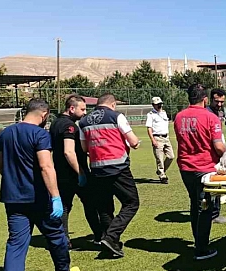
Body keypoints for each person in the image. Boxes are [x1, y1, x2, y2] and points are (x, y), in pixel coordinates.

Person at [0, 98, 81, 271]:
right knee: (56, 235)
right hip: (39, 198)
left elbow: (0, 166)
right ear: (44, 115)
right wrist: (56, 197)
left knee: (16, 244)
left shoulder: (4, 134)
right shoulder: (40, 134)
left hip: (13, 199)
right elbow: (46, 166)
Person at [79, 93, 141, 258]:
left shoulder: (84, 121)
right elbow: (133, 141)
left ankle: (110, 243)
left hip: (97, 169)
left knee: (105, 208)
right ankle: (111, 236)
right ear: (112, 104)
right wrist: (134, 143)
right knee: (131, 203)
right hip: (118, 167)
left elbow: (85, 148)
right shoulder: (116, 116)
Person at [174, 84, 226, 260]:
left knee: (194, 205)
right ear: (205, 99)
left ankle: (199, 241)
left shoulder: (179, 117)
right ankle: (202, 248)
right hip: (204, 168)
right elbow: (219, 146)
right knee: (205, 208)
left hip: (185, 168)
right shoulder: (210, 117)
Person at [49, 94, 103, 246]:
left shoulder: (55, 123)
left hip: (60, 172)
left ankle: (63, 239)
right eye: (83, 109)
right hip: (74, 172)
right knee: (91, 203)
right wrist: (80, 172)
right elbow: (68, 151)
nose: (85, 112)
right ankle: (99, 235)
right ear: (72, 108)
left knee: (65, 206)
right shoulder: (69, 126)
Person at [206, 88, 226, 224]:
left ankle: (214, 212)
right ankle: (212, 214)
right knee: (213, 186)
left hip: (218, 151)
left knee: (217, 186)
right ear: (210, 99)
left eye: (222, 102)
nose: (220, 104)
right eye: (217, 101)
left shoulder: (218, 113)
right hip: (212, 154)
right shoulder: (208, 113)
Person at [145, 96, 174, 184]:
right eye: (157, 105)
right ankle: (162, 176)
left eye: (160, 104)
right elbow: (149, 128)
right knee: (160, 159)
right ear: (153, 105)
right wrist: (153, 140)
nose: (160, 106)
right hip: (157, 137)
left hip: (166, 138)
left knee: (171, 156)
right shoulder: (150, 115)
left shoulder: (164, 113)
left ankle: (161, 170)